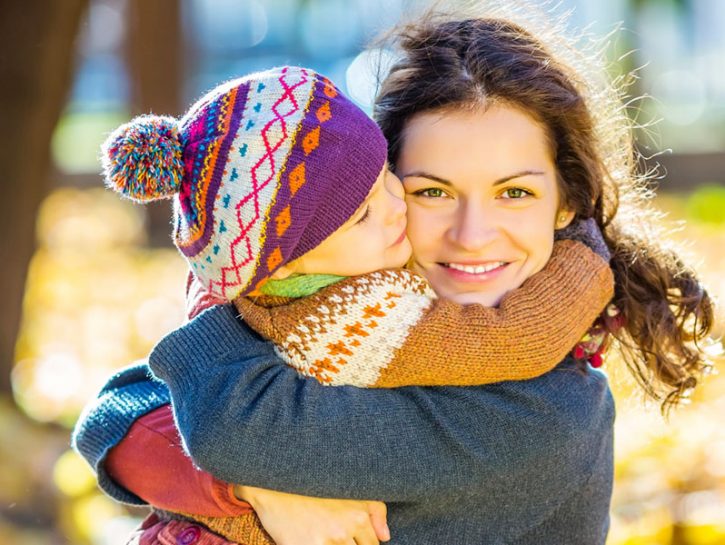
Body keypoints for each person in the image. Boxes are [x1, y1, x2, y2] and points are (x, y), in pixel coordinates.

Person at [72, 6, 714, 545]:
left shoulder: (542, 410)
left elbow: (216, 426)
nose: (471, 235)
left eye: (513, 194)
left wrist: (239, 479)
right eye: (431, 192)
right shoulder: (348, 303)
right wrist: (248, 491)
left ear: (567, 203)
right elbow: (112, 413)